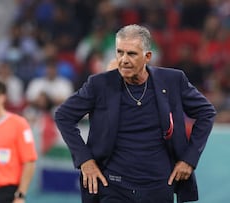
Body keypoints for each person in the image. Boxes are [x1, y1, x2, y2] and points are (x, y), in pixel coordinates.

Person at [54, 24, 216, 203]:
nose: (123, 60)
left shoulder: (172, 81)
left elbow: (206, 113)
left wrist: (189, 159)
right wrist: (85, 160)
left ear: (147, 56)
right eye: (119, 52)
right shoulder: (100, 84)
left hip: (159, 187)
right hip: (113, 186)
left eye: (131, 54)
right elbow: (63, 116)